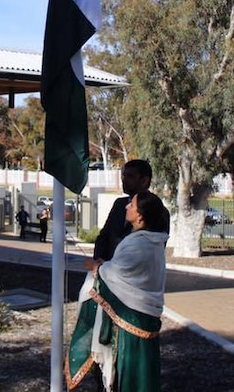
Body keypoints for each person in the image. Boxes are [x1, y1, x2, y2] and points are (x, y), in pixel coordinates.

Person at [66, 190, 170, 391]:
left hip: (132, 320)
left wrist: (96, 268)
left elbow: (117, 275)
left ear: (140, 215)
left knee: (131, 372)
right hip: (144, 316)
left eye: (131, 204)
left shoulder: (141, 244)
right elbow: (125, 271)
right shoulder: (151, 240)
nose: (126, 207)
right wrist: (106, 266)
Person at [93, 160, 153, 262]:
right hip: (108, 271)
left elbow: (153, 248)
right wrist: (99, 260)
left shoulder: (156, 210)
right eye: (124, 176)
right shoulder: (120, 204)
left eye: (130, 176)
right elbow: (104, 237)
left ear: (144, 180)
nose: (124, 180)